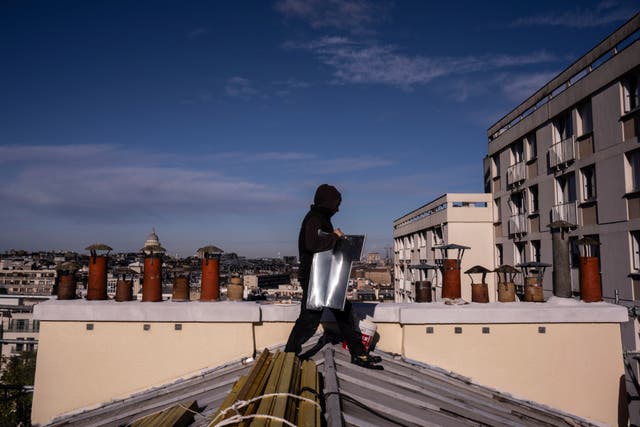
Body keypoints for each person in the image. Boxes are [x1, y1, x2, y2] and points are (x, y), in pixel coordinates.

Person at [284, 184, 383, 369]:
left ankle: (358, 353)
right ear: (328, 202)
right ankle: (288, 356)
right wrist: (336, 237)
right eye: (337, 203)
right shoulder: (315, 218)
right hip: (315, 278)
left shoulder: (320, 218)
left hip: (323, 276)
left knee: (343, 311)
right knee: (309, 319)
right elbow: (312, 244)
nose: (338, 208)